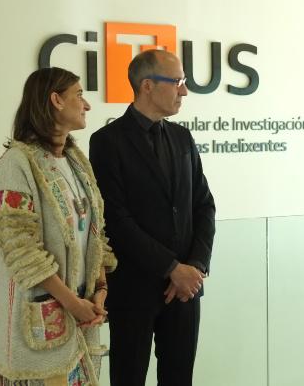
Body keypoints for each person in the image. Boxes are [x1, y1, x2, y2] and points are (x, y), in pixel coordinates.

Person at [89, 49, 216, 386]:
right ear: (147, 85)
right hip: (134, 289)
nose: (184, 91)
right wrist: (171, 268)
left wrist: (195, 267)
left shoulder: (182, 137)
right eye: (177, 82)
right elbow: (116, 219)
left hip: (185, 290)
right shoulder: (107, 142)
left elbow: (204, 205)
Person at [0, 67, 117, 385]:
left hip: (82, 317)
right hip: (39, 322)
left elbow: (96, 234)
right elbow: (21, 249)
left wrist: (100, 292)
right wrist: (72, 304)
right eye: (79, 95)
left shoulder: (75, 161)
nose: (86, 105)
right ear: (56, 100)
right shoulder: (15, 164)